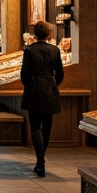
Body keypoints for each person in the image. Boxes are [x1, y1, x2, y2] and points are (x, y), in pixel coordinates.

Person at [20, 19, 64, 177]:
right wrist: (53, 84)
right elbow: (60, 73)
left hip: (34, 89)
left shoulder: (29, 50)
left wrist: (30, 83)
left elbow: (24, 74)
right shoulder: (55, 50)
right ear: (48, 33)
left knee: (35, 125)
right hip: (50, 88)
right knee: (47, 125)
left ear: (35, 34)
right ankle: (41, 159)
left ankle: (40, 162)